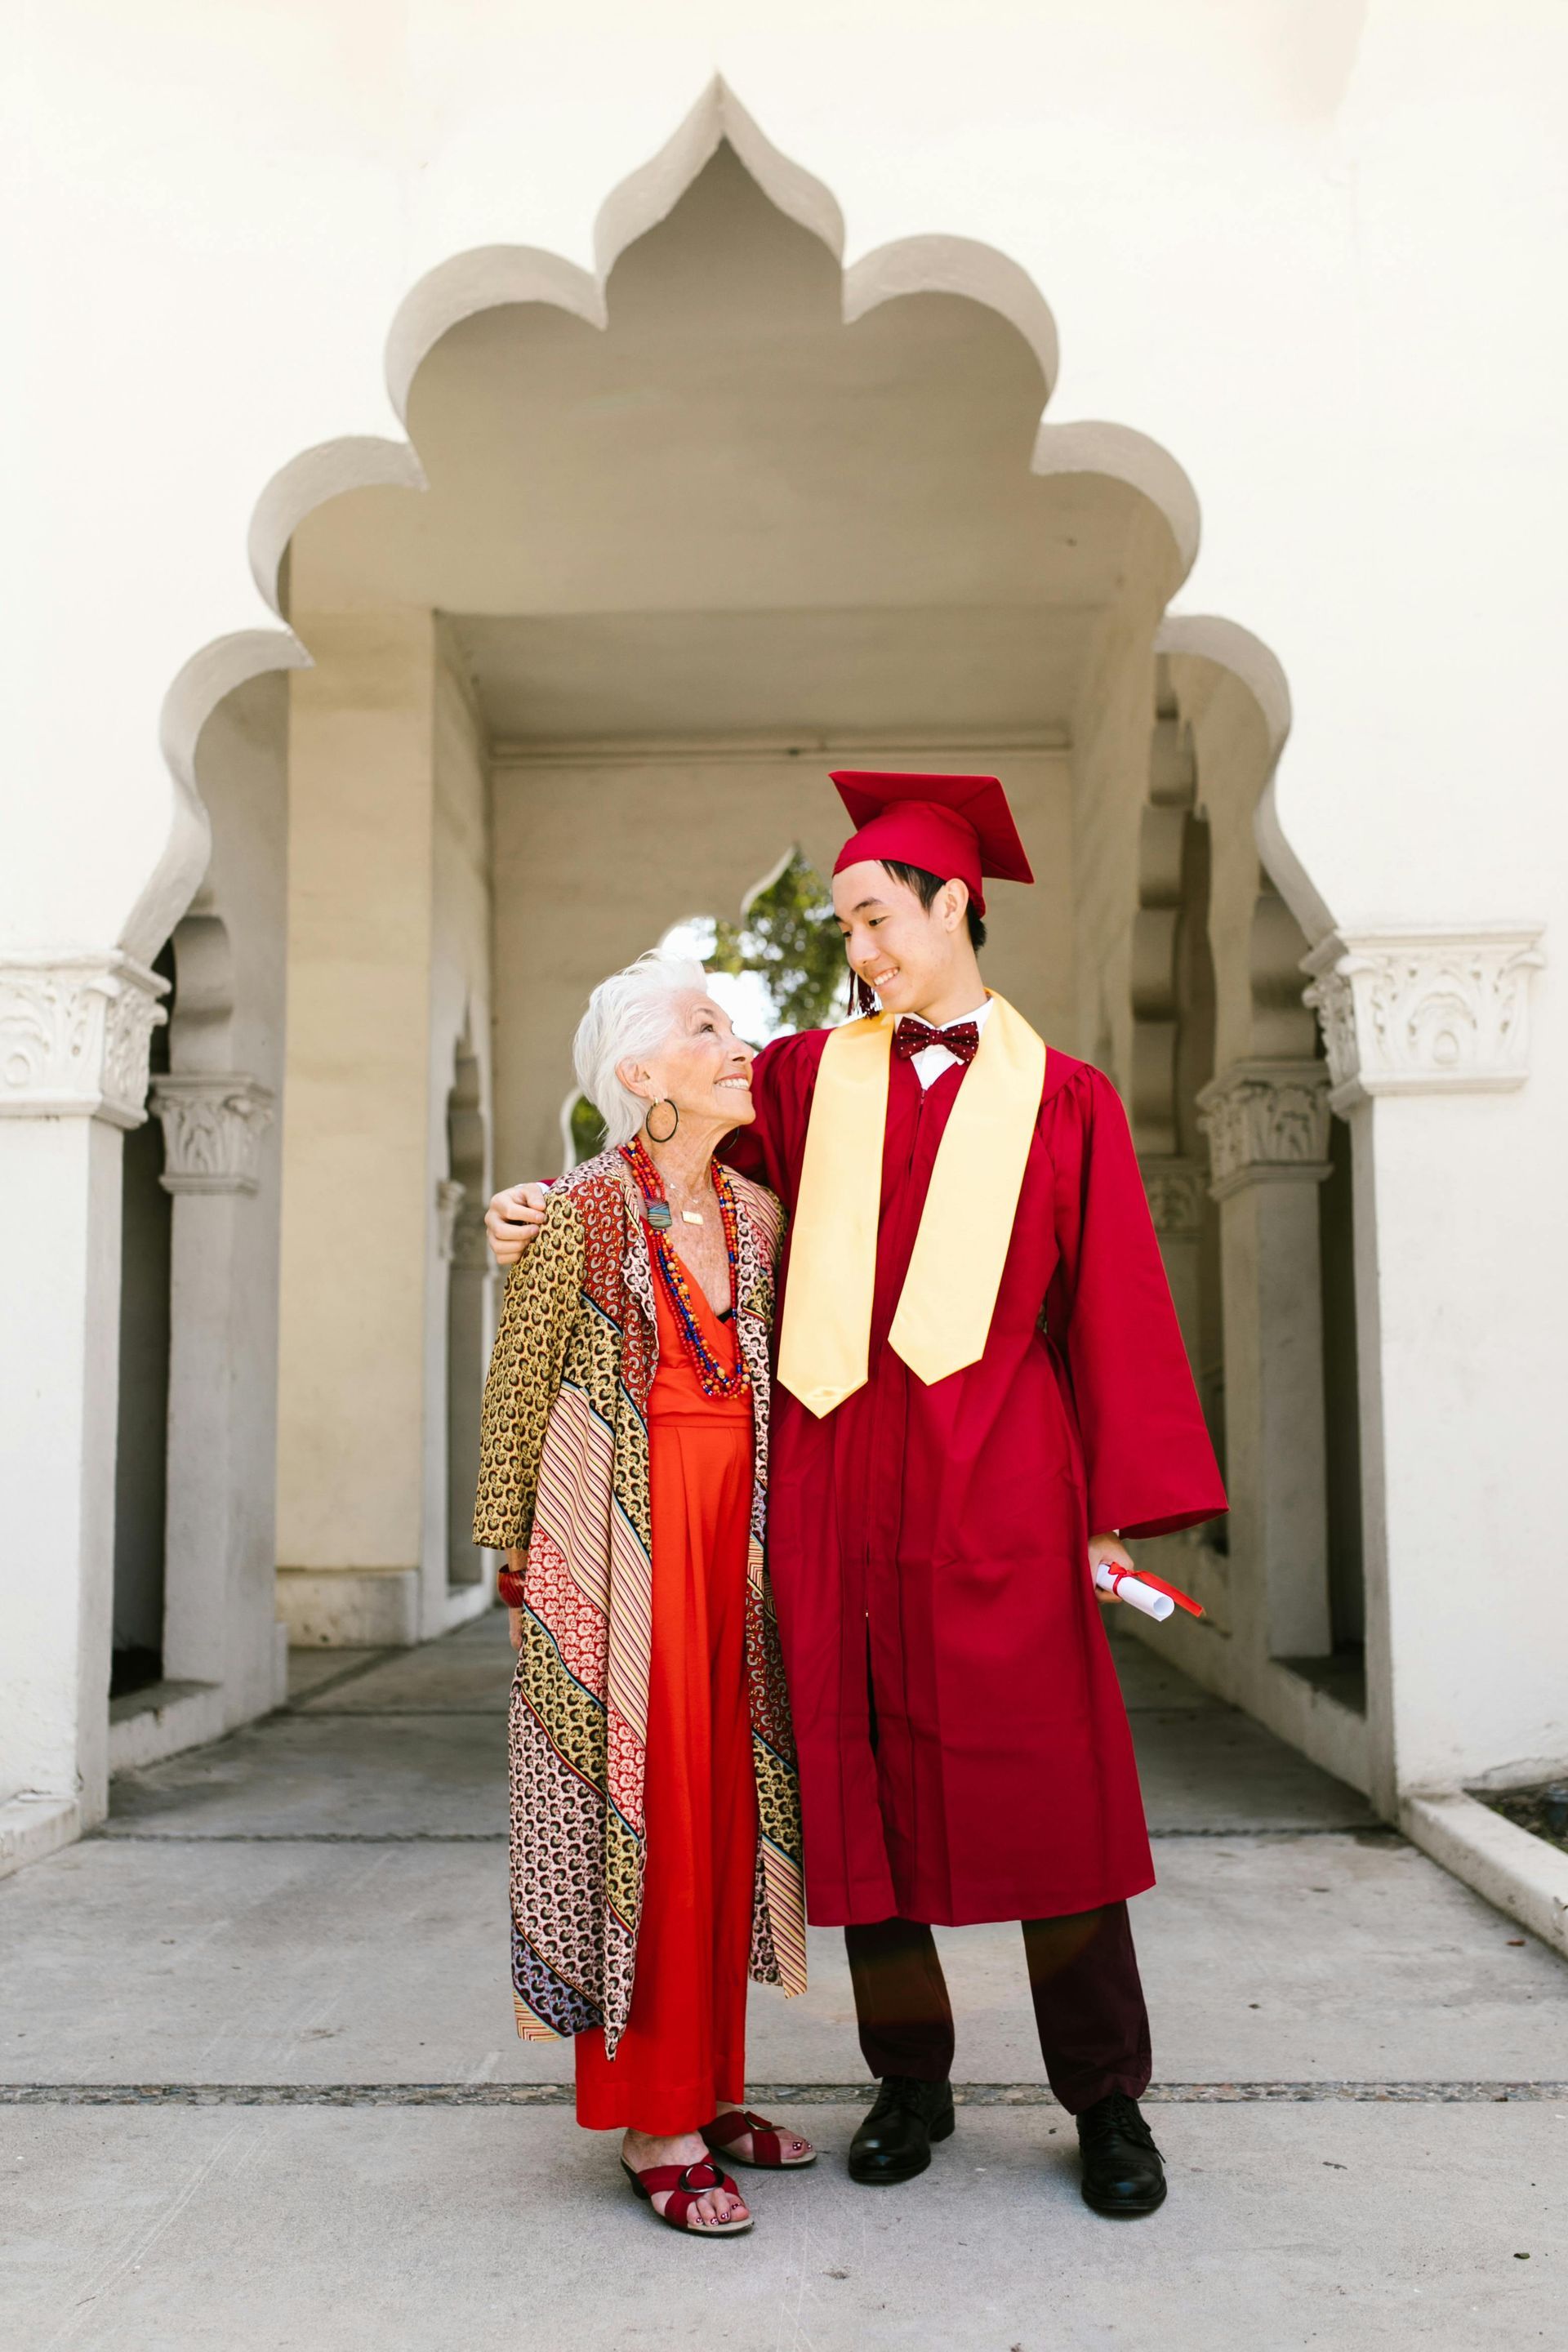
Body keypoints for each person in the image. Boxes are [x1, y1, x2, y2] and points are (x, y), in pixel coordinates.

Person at [486, 773, 1227, 2219]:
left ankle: (1109, 2099)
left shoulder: (1062, 1100)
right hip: (833, 1490)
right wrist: (536, 1206)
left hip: (1000, 1484)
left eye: (880, 920)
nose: (863, 953)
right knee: (862, 1793)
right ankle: (912, 2079)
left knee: (1051, 1798)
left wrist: (1111, 1513)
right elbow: (666, 1157)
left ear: (958, 908)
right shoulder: (811, 1078)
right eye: (847, 927)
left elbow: (1118, 1314)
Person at [473, 952, 813, 2239]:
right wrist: (515, 1558)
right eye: (709, 1028)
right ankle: (652, 2119)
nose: (739, 1046)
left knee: (728, 1806)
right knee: (644, 1815)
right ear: (639, 1074)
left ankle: (714, 2087)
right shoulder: (572, 1213)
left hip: (745, 1542)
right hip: (615, 1546)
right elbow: (516, 1393)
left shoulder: (759, 1215)